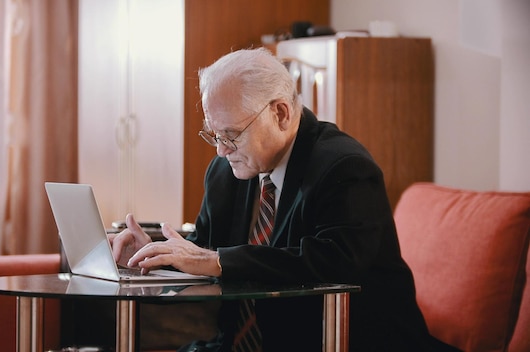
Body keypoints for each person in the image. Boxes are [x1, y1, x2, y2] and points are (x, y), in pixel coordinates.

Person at [110, 48, 453, 352]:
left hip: (341, 342)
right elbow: (207, 250)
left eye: (231, 135)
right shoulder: (226, 171)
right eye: (214, 134)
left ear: (281, 114)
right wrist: (153, 255)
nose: (220, 150)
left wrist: (216, 261)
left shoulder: (344, 168)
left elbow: (332, 264)